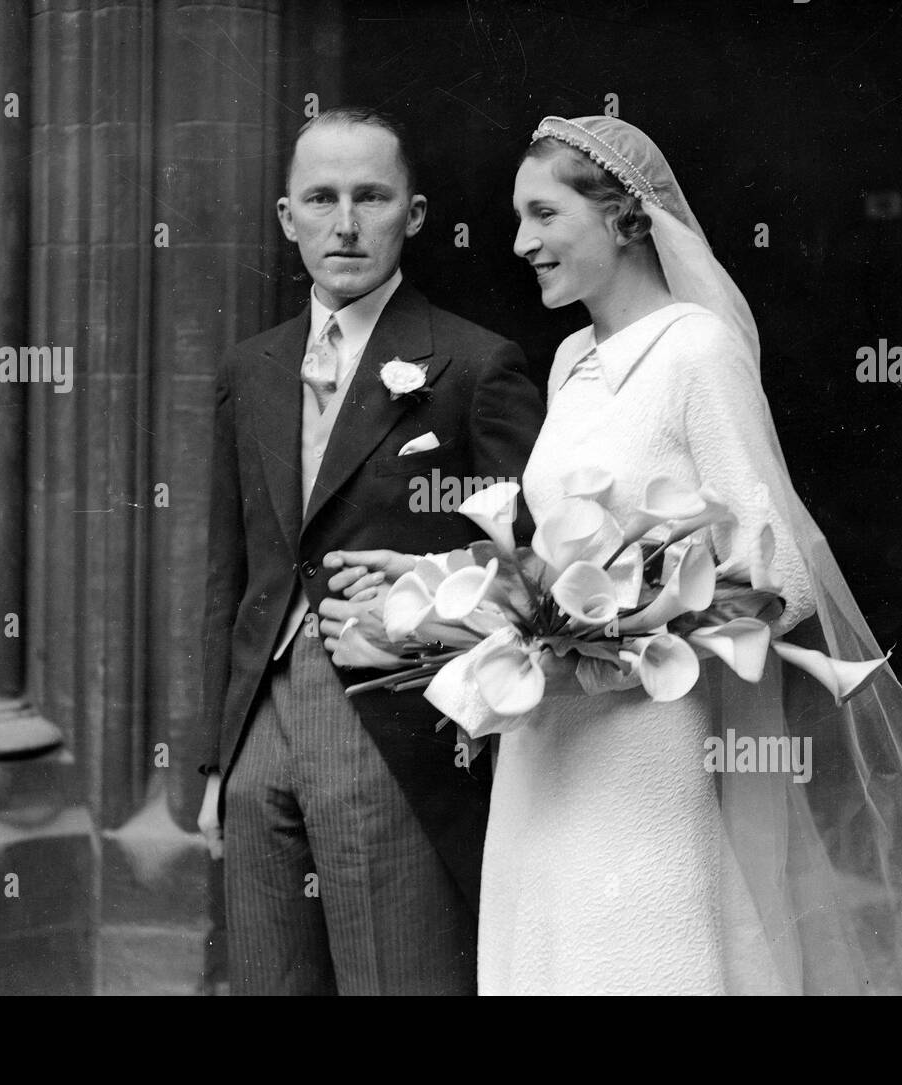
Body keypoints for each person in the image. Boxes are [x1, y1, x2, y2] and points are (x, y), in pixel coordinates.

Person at [324, 115, 902, 994]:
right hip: (545, 747)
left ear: (622, 217)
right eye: (516, 219)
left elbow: (782, 575)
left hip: (642, 748)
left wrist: (613, 643)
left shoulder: (697, 349)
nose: (518, 242)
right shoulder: (573, 360)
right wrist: (432, 586)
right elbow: (556, 560)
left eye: (542, 214)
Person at [196, 106, 544, 995]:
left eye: (371, 197)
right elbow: (227, 574)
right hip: (259, 732)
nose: (345, 223)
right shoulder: (252, 367)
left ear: (415, 215)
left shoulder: (474, 365)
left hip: (395, 728)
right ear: (287, 218)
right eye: (321, 198)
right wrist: (215, 760)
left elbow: (530, 571)